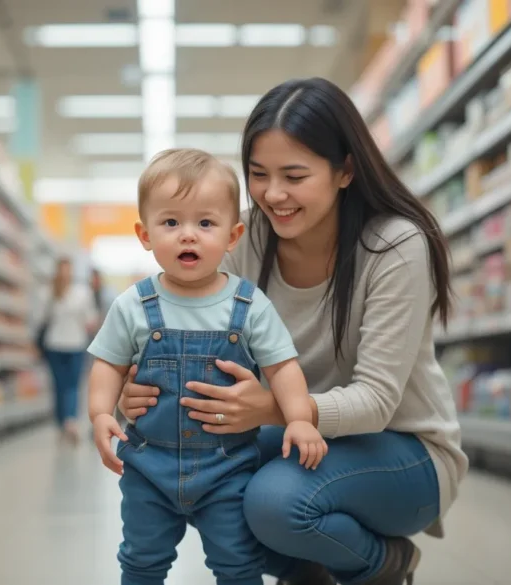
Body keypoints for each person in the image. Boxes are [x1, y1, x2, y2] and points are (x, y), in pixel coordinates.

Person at [118, 78, 469, 585]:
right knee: (190, 477)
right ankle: (309, 570)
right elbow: (174, 325)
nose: (273, 194)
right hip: (296, 437)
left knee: (271, 503)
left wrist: (270, 407)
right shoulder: (241, 237)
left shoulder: (394, 246)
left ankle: (382, 564)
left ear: (345, 169)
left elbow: (376, 402)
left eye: (294, 175)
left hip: (403, 452)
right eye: (259, 174)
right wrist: (143, 391)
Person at [87, 148, 328, 585]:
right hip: (147, 465)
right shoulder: (133, 305)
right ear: (144, 234)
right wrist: (102, 413)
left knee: (237, 563)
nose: (188, 236)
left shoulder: (250, 306)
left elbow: (283, 368)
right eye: (171, 222)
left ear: (233, 236)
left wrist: (299, 419)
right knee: (141, 560)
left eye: (205, 223)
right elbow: (108, 364)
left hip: (228, 467)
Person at [42, 258, 99, 444]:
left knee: (73, 384)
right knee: (59, 385)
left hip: (76, 344)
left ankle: (70, 421)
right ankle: (61, 423)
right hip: (54, 345)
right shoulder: (49, 292)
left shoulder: (82, 293)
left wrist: (91, 324)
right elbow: (42, 319)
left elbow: (91, 318)